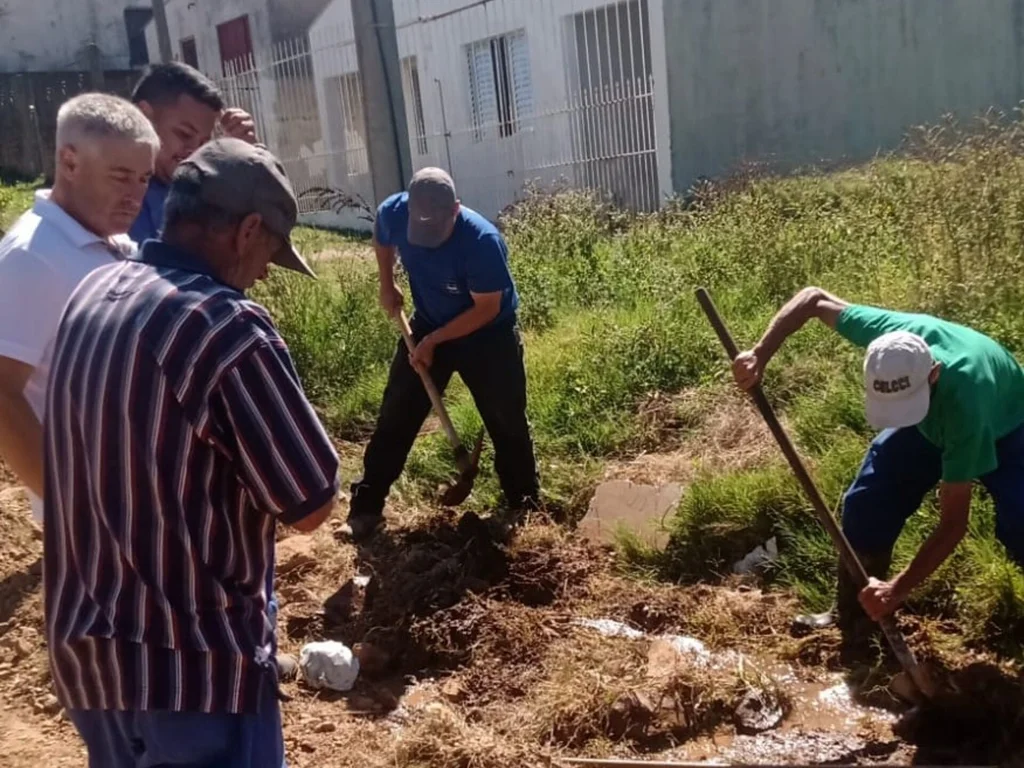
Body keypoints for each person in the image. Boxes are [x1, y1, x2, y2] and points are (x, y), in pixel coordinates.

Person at [43, 138, 337, 768]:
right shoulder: (224, 327)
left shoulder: (92, 294)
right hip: (194, 673)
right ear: (248, 229)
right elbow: (309, 499)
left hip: (92, 659)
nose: (263, 273)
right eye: (267, 254)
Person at [733, 287, 1024, 650]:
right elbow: (811, 299)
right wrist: (760, 354)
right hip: (930, 420)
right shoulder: (886, 339)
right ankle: (856, 619)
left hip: (1008, 426)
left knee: (1020, 522)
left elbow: (954, 524)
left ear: (932, 374)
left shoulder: (966, 403)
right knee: (869, 501)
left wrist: (898, 588)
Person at [344, 167, 540, 540]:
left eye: (437, 231)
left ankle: (523, 504)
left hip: (488, 334)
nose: (427, 241)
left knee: (506, 419)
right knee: (397, 413)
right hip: (428, 322)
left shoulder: (482, 241)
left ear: (456, 209)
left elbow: (486, 308)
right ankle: (366, 507)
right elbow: (383, 235)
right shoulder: (395, 211)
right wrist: (388, 284)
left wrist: (433, 342)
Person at [0, 92, 158, 528]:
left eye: (143, 179)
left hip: (135, 495)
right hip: (94, 516)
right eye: (120, 177)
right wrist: (69, 503)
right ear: (69, 162)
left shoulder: (110, 244)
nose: (134, 196)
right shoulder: (32, 257)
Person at [129, 61, 257, 243]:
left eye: (204, 142)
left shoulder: (195, 191)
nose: (194, 150)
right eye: (184, 134)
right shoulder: (108, 194)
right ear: (144, 117)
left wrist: (247, 160)